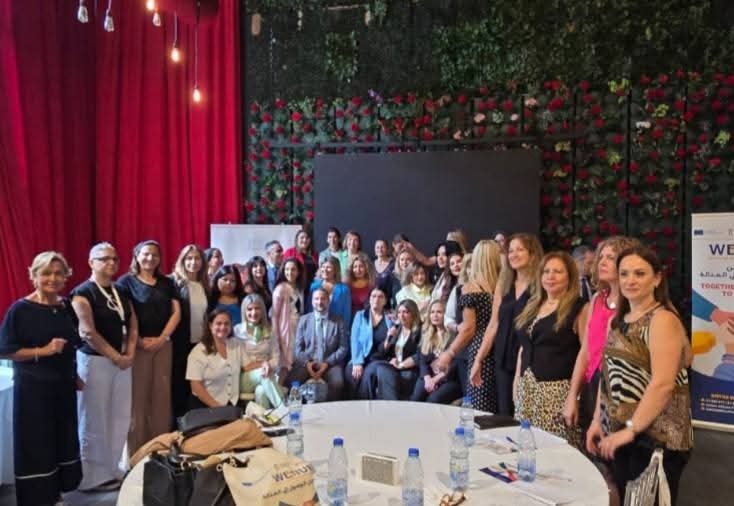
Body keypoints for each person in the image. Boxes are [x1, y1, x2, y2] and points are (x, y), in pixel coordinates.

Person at [585, 246, 692, 504]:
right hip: (620, 434)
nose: (630, 280)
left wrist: (631, 430)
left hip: (657, 437)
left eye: (640, 273)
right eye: (624, 273)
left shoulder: (662, 319)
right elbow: (607, 376)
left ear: (657, 279)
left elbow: (663, 384)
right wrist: (597, 420)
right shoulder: (617, 320)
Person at [0, 252, 82, 506]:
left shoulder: (65, 306)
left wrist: (75, 375)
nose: (52, 279)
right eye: (46, 273)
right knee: (37, 443)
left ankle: (56, 495)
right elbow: (6, 350)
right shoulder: (20, 310)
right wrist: (44, 351)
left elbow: (71, 345)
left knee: (62, 439)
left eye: (58, 273)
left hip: (63, 387)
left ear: (66, 276)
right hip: (34, 390)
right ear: (34, 276)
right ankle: (38, 499)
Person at [71, 243, 137, 491]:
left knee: (120, 415)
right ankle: (90, 477)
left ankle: (113, 468)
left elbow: (133, 324)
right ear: (91, 262)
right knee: (94, 418)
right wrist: (115, 356)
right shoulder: (82, 293)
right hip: (96, 361)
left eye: (115, 259)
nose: (111, 263)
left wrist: (129, 353)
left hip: (123, 360)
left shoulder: (120, 290)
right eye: (105, 259)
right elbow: (87, 332)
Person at [513, 251, 588, 449]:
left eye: (557, 272)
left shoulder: (579, 308)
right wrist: (517, 381)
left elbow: (586, 353)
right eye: (546, 271)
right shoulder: (534, 304)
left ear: (570, 276)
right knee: (526, 449)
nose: (550, 276)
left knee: (554, 452)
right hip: (527, 389)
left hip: (557, 393)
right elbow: (524, 346)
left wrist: (573, 397)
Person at [117, 240, 181, 455]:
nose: (150, 258)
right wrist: (139, 341)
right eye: (146, 254)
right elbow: (125, 315)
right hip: (137, 346)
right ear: (136, 256)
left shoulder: (167, 283)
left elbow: (176, 313)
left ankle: (160, 449)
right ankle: (136, 452)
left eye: (155, 254)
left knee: (161, 397)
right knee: (138, 399)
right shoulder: (125, 282)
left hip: (163, 345)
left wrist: (163, 338)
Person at [470, 233, 543, 416]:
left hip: (529, 359)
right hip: (502, 358)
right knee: (504, 413)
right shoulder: (503, 284)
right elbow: (493, 325)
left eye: (520, 250)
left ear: (532, 254)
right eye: (510, 251)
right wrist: (478, 360)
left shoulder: (541, 286)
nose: (513, 254)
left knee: (525, 414)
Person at [576, 237, 641, 431]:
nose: (602, 262)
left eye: (610, 258)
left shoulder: (634, 304)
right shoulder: (598, 298)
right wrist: (572, 395)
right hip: (593, 381)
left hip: (619, 388)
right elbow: (585, 351)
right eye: (601, 257)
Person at [437, 240, 502, 412]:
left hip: (480, 350)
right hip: (501, 348)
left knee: (480, 407)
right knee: (499, 408)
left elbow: (468, 329)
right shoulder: (503, 287)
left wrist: (449, 353)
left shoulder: (471, 288)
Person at [169, 244, 209, 418]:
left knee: (198, 385)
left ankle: (196, 422)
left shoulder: (204, 285)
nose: (193, 262)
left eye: (197, 258)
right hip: (180, 343)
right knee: (179, 385)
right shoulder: (174, 283)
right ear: (182, 261)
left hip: (200, 343)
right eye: (189, 258)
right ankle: (179, 423)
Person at [289, 288, 349, 401]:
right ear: (312, 301)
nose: (319, 302)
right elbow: (297, 349)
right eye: (316, 299)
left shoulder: (338, 321)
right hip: (307, 363)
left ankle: (328, 408)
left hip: (330, 364)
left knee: (338, 382)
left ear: (328, 301)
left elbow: (343, 347)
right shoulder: (303, 320)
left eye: (323, 299)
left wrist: (327, 363)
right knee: (293, 380)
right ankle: (301, 407)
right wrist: (307, 363)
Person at [362, 299, 422, 400]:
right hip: (394, 365)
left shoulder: (420, 330)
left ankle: (390, 405)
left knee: (382, 370)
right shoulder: (397, 328)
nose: (401, 315)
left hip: (409, 369)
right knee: (371, 368)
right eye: (399, 312)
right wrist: (388, 338)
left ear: (413, 314)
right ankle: (366, 403)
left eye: (405, 312)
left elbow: (420, 355)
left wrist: (401, 364)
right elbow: (381, 352)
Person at [186, 309, 247, 408]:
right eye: (218, 323)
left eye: (226, 324)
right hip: (206, 407)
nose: (223, 327)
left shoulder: (236, 344)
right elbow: (195, 386)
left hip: (232, 404)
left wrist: (266, 364)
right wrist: (217, 407)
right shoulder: (198, 352)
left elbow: (247, 365)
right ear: (210, 326)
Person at [233, 294, 284, 408]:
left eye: (257, 308)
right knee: (263, 373)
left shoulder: (270, 330)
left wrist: (268, 365)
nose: (254, 312)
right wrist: (264, 364)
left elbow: (276, 358)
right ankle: (283, 408)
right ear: (244, 311)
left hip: (266, 374)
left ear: (262, 310)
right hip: (244, 378)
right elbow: (245, 365)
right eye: (249, 309)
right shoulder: (237, 331)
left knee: (261, 391)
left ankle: (264, 419)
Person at [345, 287, 393, 399]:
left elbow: (392, 342)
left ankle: (367, 406)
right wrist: (357, 362)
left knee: (369, 374)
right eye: (374, 296)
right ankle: (352, 405)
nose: (376, 299)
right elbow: (355, 339)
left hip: (379, 358)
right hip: (361, 356)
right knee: (351, 372)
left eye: (380, 297)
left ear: (385, 301)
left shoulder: (390, 319)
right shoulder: (360, 316)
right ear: (369, 299)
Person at [411, 300, 461, 403]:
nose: (435, 315)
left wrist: (436, 379)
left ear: (446, 315)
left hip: (449, 379)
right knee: (416, 398)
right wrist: (427, 378)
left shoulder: (455, 336)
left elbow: (455, 365)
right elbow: (422, 361)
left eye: (439, 312)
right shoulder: (426, 334)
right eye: (432, 312)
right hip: (429, 376)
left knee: (433, 400)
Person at [271, 258, 305, 381]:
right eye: (287, 269)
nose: (290, 272)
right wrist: (276, 337)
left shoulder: (299, 288)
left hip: (298, 329)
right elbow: (274, 316)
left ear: (298, 271)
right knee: (284, 364)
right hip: (285, 331)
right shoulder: (280, 289)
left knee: (295, 364)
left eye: (293, 269)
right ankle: (278, 390)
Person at [444, 253, 472, 394]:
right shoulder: (458, 290)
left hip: (483, 350)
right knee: (467, 390)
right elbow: (448, 318)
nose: (471, 270)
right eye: (468, 267)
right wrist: (456, 327)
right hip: (463, 348)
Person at [308, 256, 351, 324]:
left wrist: (344, 329)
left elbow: (346, 314)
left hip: (337, 327)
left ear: (335, 270)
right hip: (316, 325)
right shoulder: (314, 287)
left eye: (328, 267)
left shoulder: (344, 290)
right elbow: (309, 309)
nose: (325, 270)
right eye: (323, 267)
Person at [347, 252, 376, 318]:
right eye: (355, 267)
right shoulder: (346, 284)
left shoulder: (372, 284)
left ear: (366, 268)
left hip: (366, 317)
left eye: (361, 266)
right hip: (349, 317)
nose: (358, 270)